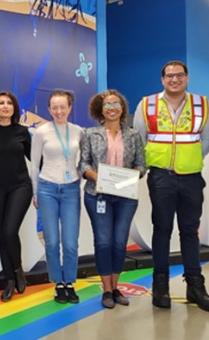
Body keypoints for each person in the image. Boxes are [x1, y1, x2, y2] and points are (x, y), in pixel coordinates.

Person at [131, 60, 209, 312]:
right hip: (160, 176)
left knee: (190, 231)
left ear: (187, 78)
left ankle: (195, 286)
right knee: (162, 230)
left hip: (191, 176)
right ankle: (160, 286)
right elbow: (140, 138)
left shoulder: (201, 104)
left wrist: (189, 160)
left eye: (179, 75)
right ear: (162, 80)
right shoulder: (146, 104)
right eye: (169, 76)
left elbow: (208, 138)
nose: (174, 80)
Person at [79, 89, 146, 309]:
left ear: (122, 108)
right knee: (103, 241)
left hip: (125, 197)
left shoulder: (134, 135)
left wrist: (129, 178)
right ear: (100, 109)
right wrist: (98, 178)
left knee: (119, 242)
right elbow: (84, 164)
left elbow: (141, 165)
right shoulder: (90, 134)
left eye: (115, 103)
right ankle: (106, 290)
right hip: (97, 195)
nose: (111, 107)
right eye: (107, 104)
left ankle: (116, 287)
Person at [30, 89, 85, 304]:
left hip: (71, 189)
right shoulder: (41, 132)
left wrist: (81, 176)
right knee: (52, 241)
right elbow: (35, 164)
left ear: (70, 108)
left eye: (63, 107)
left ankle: (69, 281)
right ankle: (57, 283)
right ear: (49, 109)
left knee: (70, 241)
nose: (59, 111)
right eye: (55, 107)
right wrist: (35, 191)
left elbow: (85, 159)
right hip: (47, 188)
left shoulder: (79, 131)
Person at [0, 91, 32, 301]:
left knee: (10, 230)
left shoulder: (22, 132)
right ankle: (9, 280)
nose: (5, 106)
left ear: (14, 108)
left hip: (20, 186)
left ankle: (18, 268)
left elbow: (35, 158)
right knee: (3, 234)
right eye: (1, 103)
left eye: (9, 103)